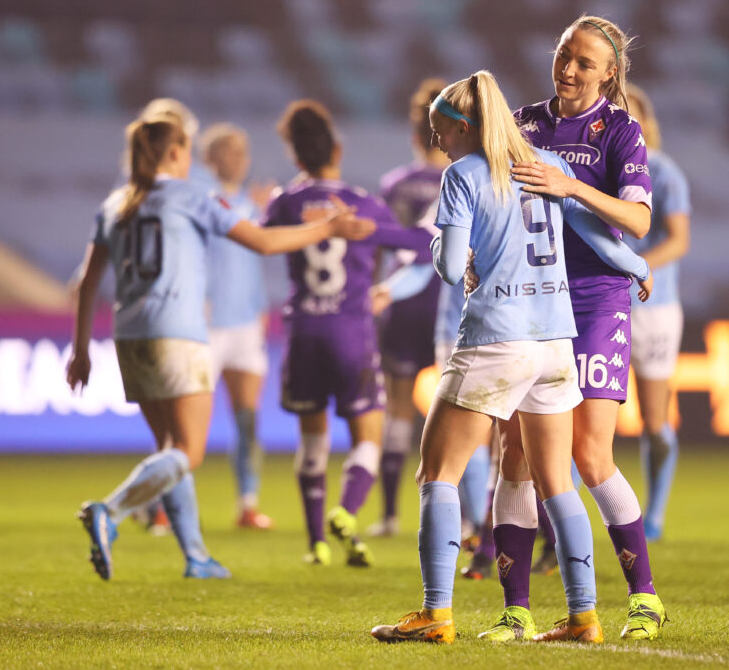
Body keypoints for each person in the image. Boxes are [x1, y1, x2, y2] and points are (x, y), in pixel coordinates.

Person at [370, 71, 652, 645]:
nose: (437, 139)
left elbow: (449, 268)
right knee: (556, 482)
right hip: (553, 343)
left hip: (495, 338)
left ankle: (435, 614)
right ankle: (582, 617)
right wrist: (638, 268)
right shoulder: (546, 163)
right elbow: (595, 234)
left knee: (437, 473)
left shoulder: (463, 176)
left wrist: (449, 247)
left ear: (463, 126)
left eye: (440, 128)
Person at [69, 112, 376, 581]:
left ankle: (196, 556)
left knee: (169, 449)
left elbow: (88, 281)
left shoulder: (115, 204)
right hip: (177, 331)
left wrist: (81, 349)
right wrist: (326, 229)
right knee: (187, 451)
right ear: (176, 152)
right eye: (187, 149)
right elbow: (263, 242)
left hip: (128, 336)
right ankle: (109, 511)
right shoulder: (189, 196)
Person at [483, 15, 667, 642]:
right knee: (516, 454)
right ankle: (516, 611)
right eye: (564, 54)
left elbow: (638, 221)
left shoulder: (620, 130)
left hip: (594, 298)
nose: (568, 69)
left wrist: (571, 186)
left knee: (589, 453)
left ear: (609, 73)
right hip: (531, 299)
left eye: (584, 62)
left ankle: (643, 599)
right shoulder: (522, 122)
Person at [265, 100, 433, 568]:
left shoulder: (285, 202)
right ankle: (349, 509)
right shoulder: (364, 204)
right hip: (352, 330)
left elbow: (261, 237)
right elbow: (416, 246)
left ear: (297, 156)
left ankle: (316, 541)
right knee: (367, 436)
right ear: (337, 148)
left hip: (303, 331)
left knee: (313, 438)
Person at [366, 78, 449, 538]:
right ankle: (472, 519)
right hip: (448, 302)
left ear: (415, 136)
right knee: (460, 411)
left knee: (397, 408)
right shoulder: (460, 180)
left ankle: (390, 515)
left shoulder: (395, 185)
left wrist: (376, 291)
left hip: (399, 304)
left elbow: (380, 246)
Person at [200, 123, 276, 529]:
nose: (239, 158)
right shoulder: (203, 199)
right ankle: (160, 501)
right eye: (229, 151)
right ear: (210, 158)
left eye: (243, 151)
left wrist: (261, 308)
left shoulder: (249, 204)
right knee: (189, 421)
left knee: (248, 420)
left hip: (247, 323)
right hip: (208, 324)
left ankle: (248, 504)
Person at [624, 88, 691, 542]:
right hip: (602, 304)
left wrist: (638, 266)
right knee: (576, 412)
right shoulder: (599, 170)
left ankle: (656, 513)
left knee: (653, 420)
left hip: (654, 307)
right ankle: (561, 524)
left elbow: (678, 240)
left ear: (647, 124)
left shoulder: (664, 173)